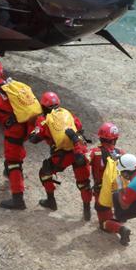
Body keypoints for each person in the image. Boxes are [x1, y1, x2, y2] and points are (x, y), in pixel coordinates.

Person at [0, 59, 37, 209]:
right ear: (1, 72)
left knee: (14, 161)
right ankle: (9, 171)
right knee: (16, 151)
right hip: (27, 125)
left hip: (14, 130)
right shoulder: (12, 86)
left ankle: (18, 199)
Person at [29, 92, 92, 220]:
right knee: (84, 182)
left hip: (62, 154)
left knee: (44, 172)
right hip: (80, 150)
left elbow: (34, 139)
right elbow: (79, 128)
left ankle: (51, 201)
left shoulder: (44, 120)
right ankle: (87, 212)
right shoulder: (68, 114)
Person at [89, 122, 131, 245]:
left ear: (100, 137)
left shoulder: (95, 152)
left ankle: (120, 228)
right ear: (115, 139)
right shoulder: (122, 153)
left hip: (103, 192)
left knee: (103, 223)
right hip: (120, 191)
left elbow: (83, 160)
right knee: (117, 211)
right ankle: (119, 219)